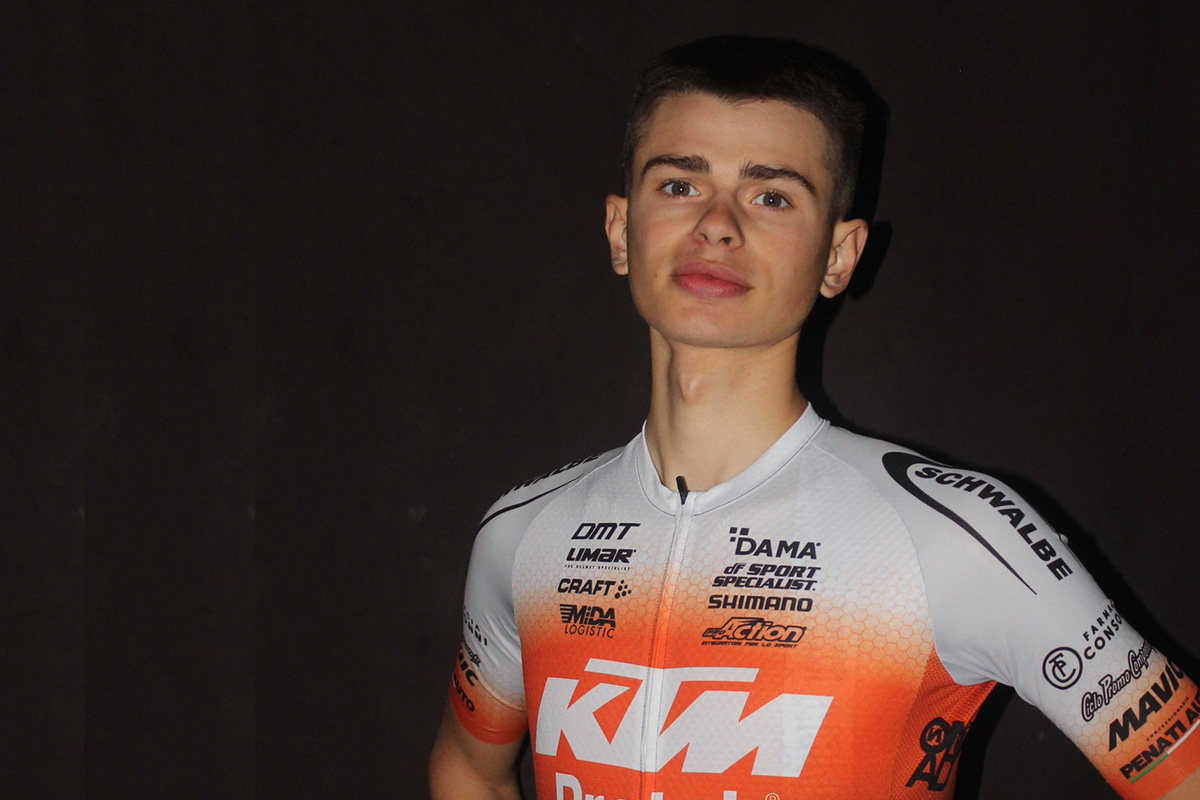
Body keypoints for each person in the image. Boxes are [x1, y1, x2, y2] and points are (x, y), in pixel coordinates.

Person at [427, 36, 1200, 800]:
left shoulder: (952, 538)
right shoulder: (524, 536)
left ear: (839, 255)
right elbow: (467, 768)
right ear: (619, 229)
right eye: (679, 185)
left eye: (771, 196)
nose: (718, 224)